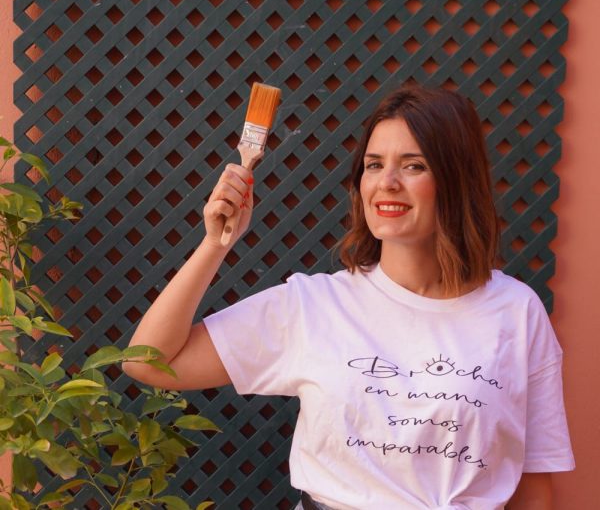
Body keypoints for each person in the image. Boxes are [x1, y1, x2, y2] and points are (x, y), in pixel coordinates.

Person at [123, 83, 575, 509]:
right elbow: (148, 361)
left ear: (456, 179)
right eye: (374, 165)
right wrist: (215, 245)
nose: (387, 182)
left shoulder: (516, 311)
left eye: (413, 165)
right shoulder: (314, 306)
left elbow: (535, 480)